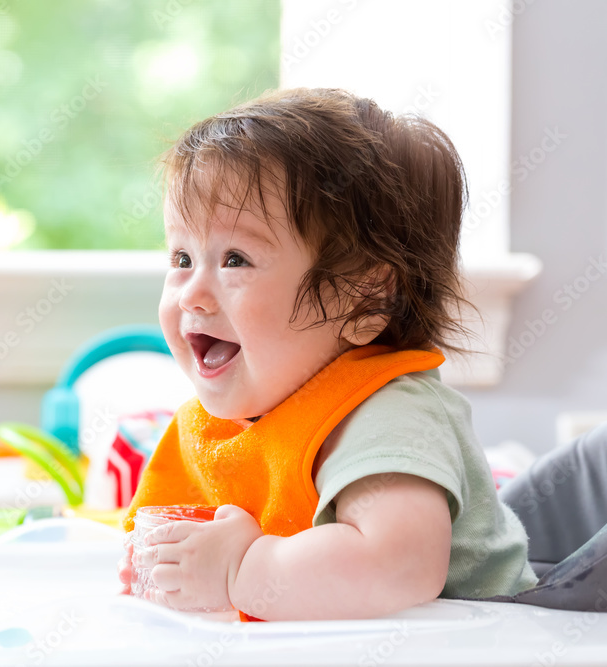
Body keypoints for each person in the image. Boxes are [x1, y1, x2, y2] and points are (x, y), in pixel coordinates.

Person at [116, 87, 538, 621]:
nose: (192, 294)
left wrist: (238, 570)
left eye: (236, 259)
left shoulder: (388, 412)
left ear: (364, 301)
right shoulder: (235, 419)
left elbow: (398, 566)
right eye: (182, 255)